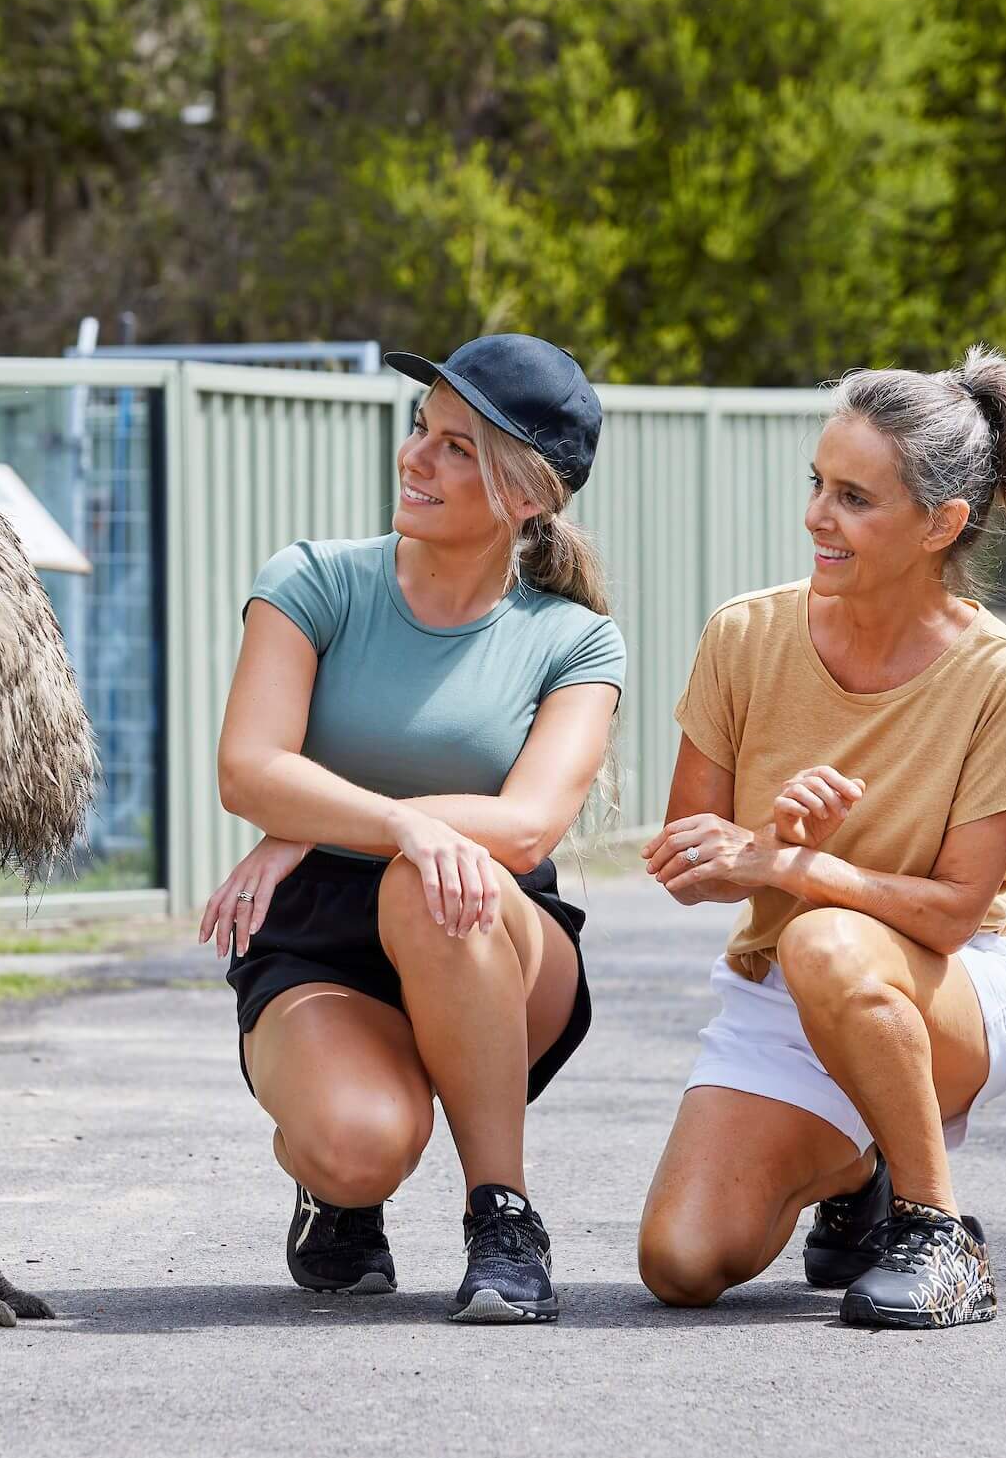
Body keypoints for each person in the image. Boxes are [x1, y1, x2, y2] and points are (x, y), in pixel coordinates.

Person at [635, 346, 1006, 1330]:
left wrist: (797, 865)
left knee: (820, 935)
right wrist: (765, 830)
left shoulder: (1004, 675)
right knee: (682, 1258)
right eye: (818, 485)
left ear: (941, 524)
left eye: (854, 498)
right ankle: (865, 1151)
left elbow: (958, 911)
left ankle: (937, 1231)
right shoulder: (744, 636)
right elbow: (684, 864)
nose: (816, 518)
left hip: (967, 979)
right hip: (792, 987)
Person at [201, 334, 624, 1324]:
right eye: (419, 430)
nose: (415, 457)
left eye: (456, 448)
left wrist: (314, 819)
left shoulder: (572, 638)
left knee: (434, 879)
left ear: (527, 492)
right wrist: (386, 817)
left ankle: (504, 1215)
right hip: (319, 941)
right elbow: (247, 768)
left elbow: (523, 827)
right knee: (357, 1145)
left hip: (495, 941)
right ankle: (337, 1193)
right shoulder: (313, 581)